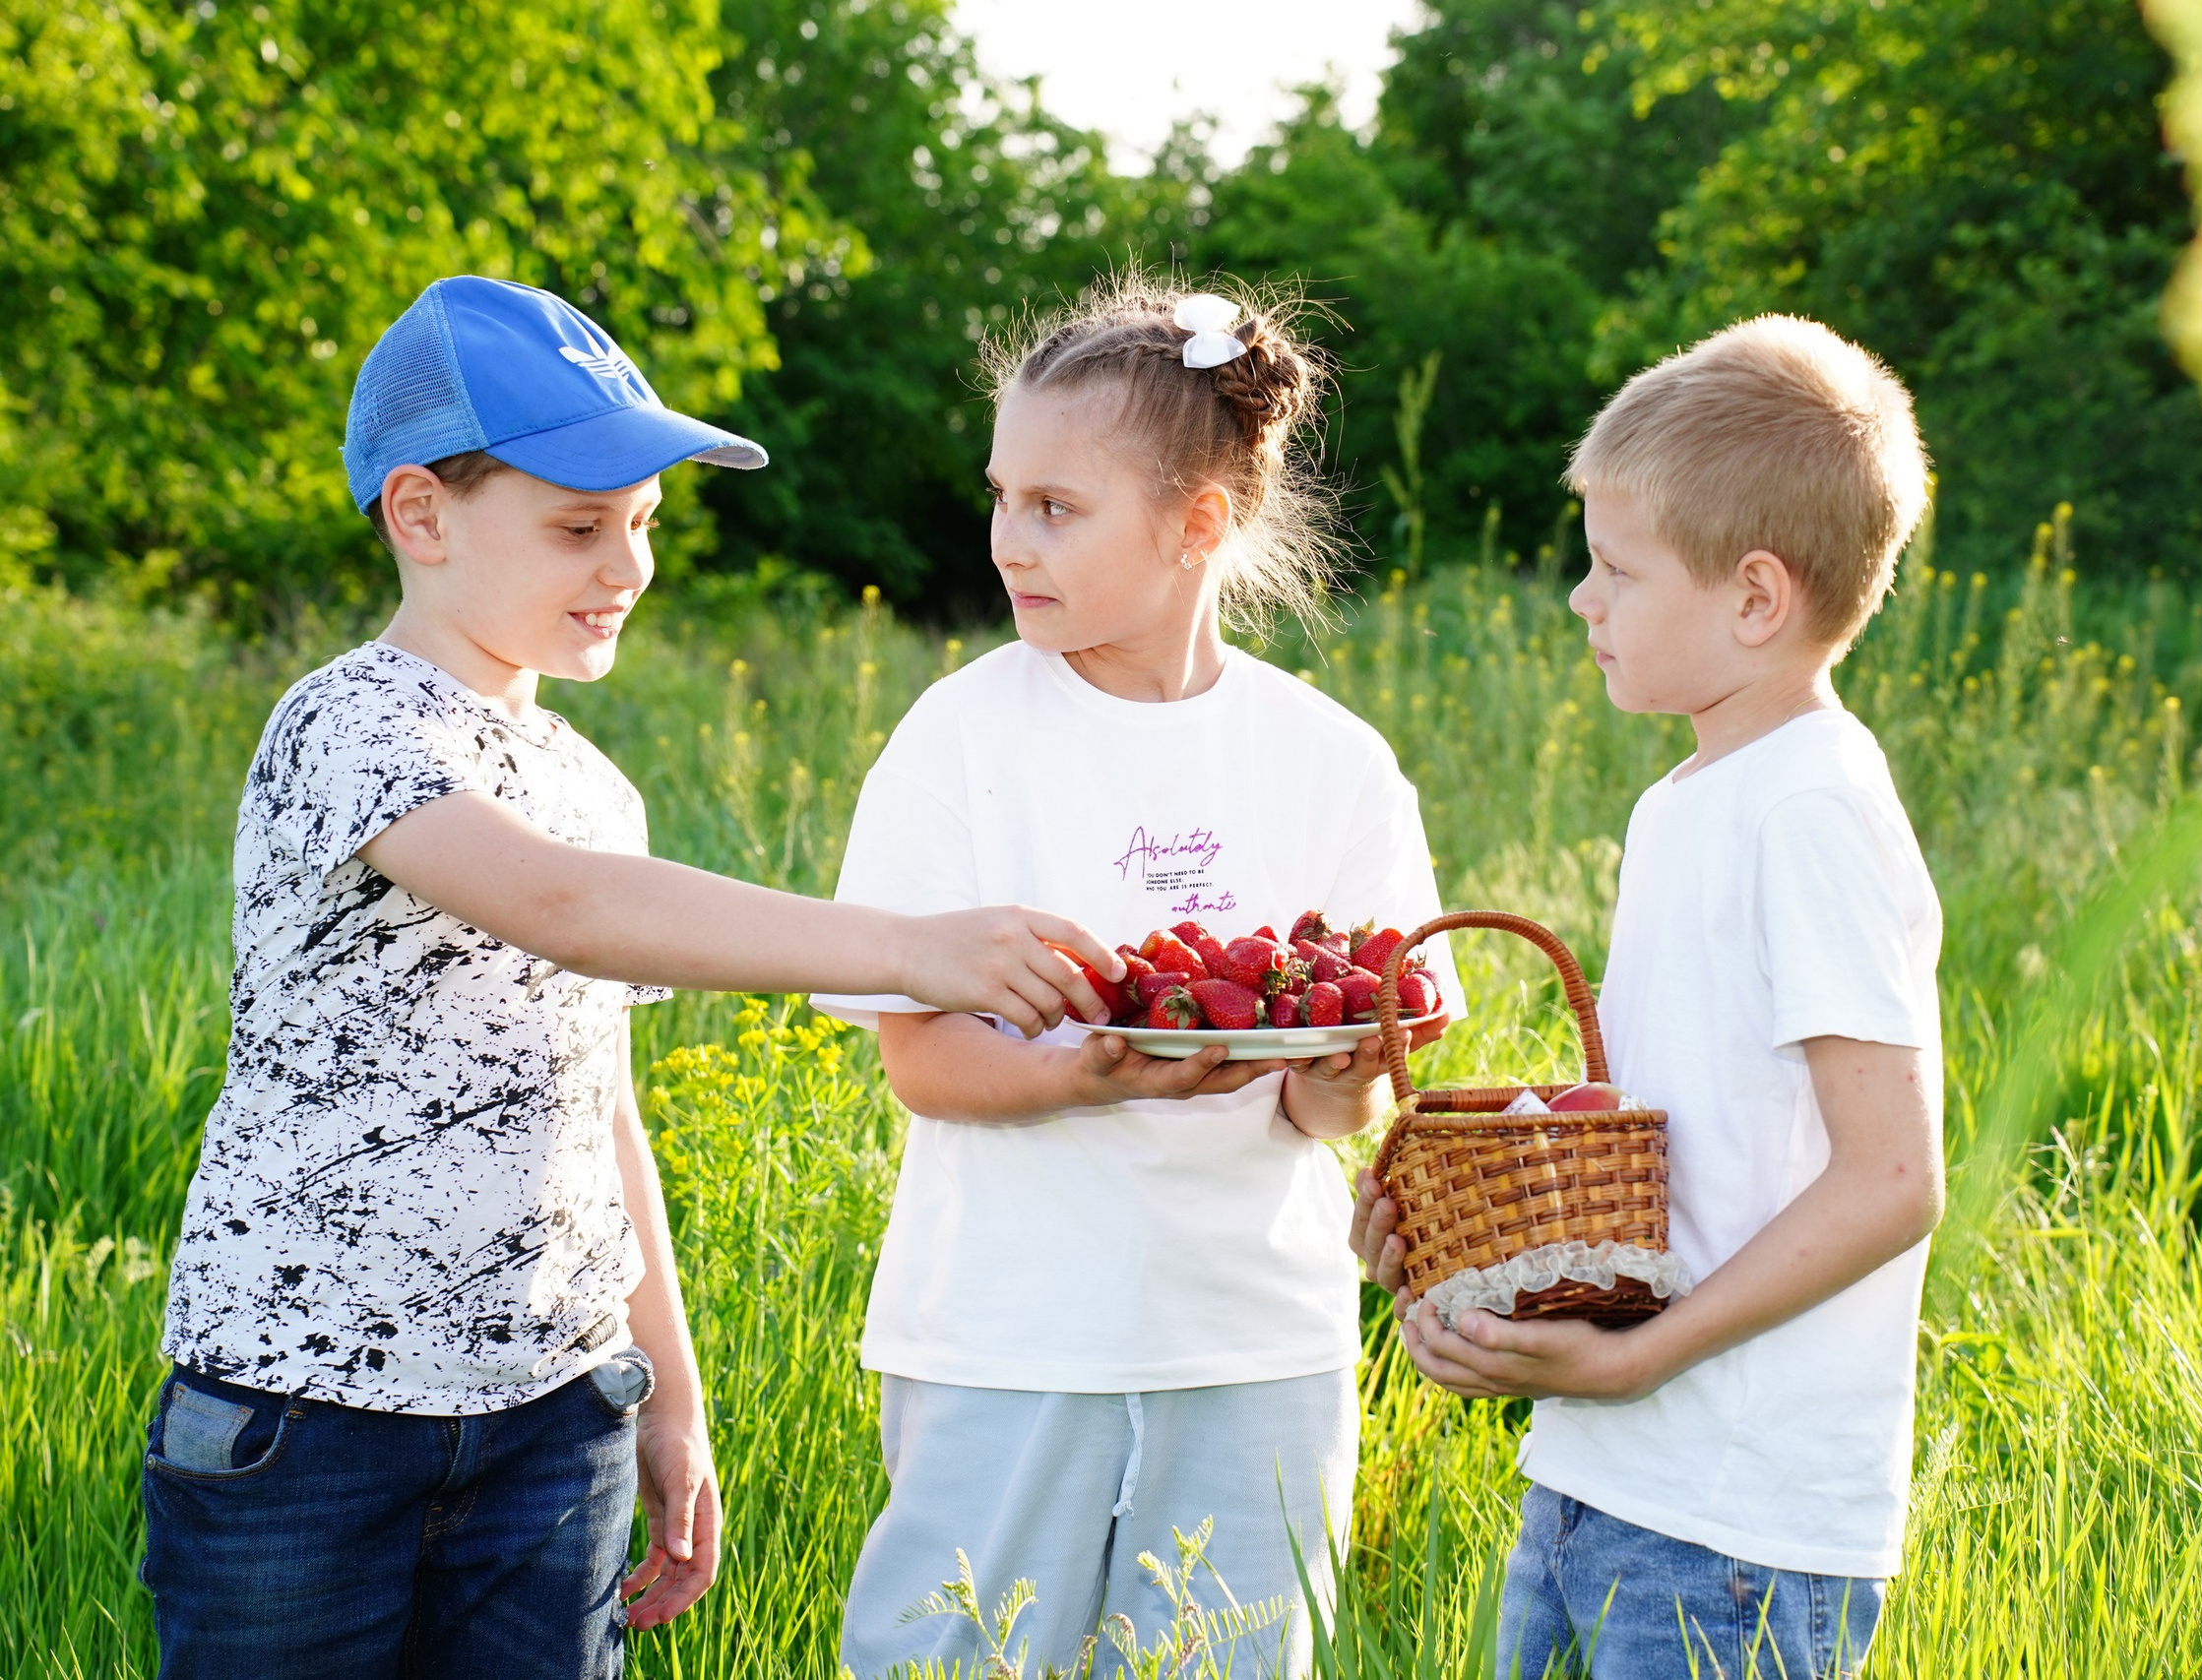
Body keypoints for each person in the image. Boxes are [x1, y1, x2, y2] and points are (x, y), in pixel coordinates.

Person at [144, 276, 1124, 1680]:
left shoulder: (591, 785)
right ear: (420, 515)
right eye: (577, 526)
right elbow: (565, 908)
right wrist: (911, 945)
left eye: (643, 525)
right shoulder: (348, 723)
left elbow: (599, 1105)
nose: (627, 566)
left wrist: (669, 1395)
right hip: (305, 1421)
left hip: (558, 1416)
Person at [814, 276, 1459, 1680]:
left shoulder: (1328, 761)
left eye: (1057, 508)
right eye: (1002, 496)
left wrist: (1345, 1067)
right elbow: (922, 1060)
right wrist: (1083, 1070)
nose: (1006, 542)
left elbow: (1332, 1112)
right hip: (1009, 1334)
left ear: (1198, 526)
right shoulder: (962, 736)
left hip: (1254, 1342)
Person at [1352, 315, 1944, 1680]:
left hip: (1734, 1521)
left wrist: (1644, 1358)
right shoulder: (1686, 803)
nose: (1582, 598)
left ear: (1754, 598)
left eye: (1616, 569)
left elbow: (1893, 1180)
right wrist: (1469, 1252)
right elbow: (1679, 1138)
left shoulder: (1812, 807)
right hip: (1605, 1475)